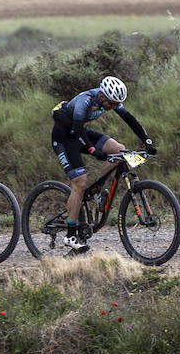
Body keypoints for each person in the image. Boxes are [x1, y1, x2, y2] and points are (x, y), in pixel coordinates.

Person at [50, 76, 155, 249]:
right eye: (112, 104)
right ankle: (70, 235)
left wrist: (147, 141)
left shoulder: (110, 101)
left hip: (79, 133)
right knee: (80, 183)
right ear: (102, 97)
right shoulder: (85, 100)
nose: (114, 107)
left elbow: (130, 120)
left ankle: (97, 189)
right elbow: (76, 130)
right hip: (64, 138)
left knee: (119, 150)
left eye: (116, 104)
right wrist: (93, 150)